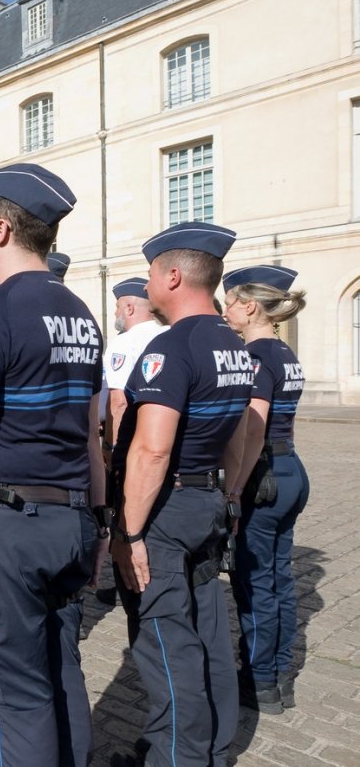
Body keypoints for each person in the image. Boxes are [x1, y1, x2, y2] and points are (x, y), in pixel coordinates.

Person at [0, 164, 108, 767]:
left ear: (1, 229)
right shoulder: (81, 314)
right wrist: (99, 524)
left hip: (13, 528)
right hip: (72, 519)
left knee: (17, 697)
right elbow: (91, 437)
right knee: (62, 673)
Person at [110, 222, 250, 767]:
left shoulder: (173, 346)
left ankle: (177, 757)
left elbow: (152, 451)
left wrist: (130, 533)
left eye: (150, 273)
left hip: (164, 510)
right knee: (209, 632)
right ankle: (212, 747)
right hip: (207, 499)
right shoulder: (232, 344)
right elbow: (238, 434)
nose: (146, 284)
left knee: (166, 642)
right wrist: (229, 497)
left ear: (172, 276)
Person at [222, 265, 310, 715]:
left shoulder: (255, 356)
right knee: (280, 578)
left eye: (230, 303)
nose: (226, 311)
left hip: (263, 476)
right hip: (290, 467)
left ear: (251, 307)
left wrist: (235, 490)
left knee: (256, 583)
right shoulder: (285, 352)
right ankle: (278, 677)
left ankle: (258, 682)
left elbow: (252, 430)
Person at [103, 278, 167, 454]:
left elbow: (119, 402)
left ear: (129, 308)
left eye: (118, 307)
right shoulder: (170, 333)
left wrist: (110, 446)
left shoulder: (124, 342)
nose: (115, 313)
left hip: (134, 439)